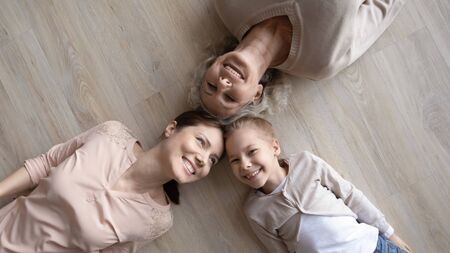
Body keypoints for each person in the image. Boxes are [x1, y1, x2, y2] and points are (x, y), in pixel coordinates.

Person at [0, 110, 224, 253]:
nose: (203, 159)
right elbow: (44, 164)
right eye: (201, 142)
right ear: (171, 129)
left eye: (212, 160)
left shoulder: (158, 220)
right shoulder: (110, 134)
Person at [191, 0, 406, 120]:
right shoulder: (321, 63)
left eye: (211, 86)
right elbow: (383, 7)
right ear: (256, 94)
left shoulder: (228, 4)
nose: (222, 84)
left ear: (213, 64)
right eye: (229, 98)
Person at [224, 116, 412, 253]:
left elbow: (350, 195)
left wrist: (389, 233)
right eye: (235, 160)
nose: (245, 164)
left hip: (372, 247)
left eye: (252, 151)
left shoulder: (306, 164)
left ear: (275, 147)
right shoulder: (255, 211)